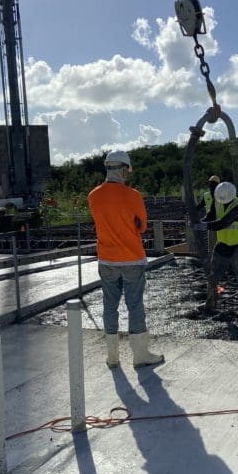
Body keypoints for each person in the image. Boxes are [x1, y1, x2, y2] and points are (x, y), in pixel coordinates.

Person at [88, 150, 164, 368]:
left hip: (106, 260)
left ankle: (112, 357)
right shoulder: (133, 196)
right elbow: (142, 226)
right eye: (127, 171)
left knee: (109, 307)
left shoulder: (93, 196)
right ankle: (140, 356)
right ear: (123, 170)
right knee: (135, 306)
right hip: (131, 259)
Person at [196, 181, 238, 291]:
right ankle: (210, 300)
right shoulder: (217, 201)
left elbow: (223, 223)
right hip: (222, 244)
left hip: (237, 245)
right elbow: (210, 216)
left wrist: (204, 226)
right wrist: (199, 222)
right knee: (214, 273)